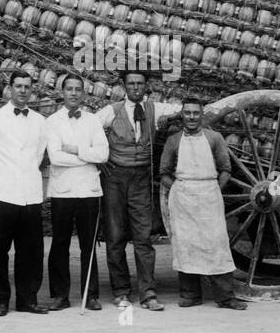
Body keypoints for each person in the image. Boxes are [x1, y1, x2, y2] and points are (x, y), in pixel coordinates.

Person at [98, 71, 176, 312]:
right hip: (115, 178)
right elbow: (87, 130)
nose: (135, 87)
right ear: (124, 86)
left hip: (141, 178)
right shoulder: (111, 111)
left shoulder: (155, 108)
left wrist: (171, 119)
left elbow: (184, 110)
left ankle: (148, 293)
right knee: (115, 236)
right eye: (131, 83)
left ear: (146, 86)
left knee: (143, 238)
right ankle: (121, 291)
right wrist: (100, 158)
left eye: (140, 83)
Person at [160, 98, 247, 310]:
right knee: (186, 244)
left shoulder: (214, 138)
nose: (191, 117)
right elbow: (163, 172)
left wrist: (214, 188)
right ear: (182, 115)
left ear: (202, 115)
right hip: (183, 197)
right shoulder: (173, 140)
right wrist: (179, 188)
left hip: (209, 194)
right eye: (187, 113)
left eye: (195, 113)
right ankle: (190, 295)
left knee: (216, 243)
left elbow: (226, 169)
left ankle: (225, 297)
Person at [0, 70, 49, 315]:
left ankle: (28, 299)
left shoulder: (40, 121)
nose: (23, 91)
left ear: (32, 90)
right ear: (9, 88)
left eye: (27, 86)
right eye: (18, 86)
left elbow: (38, 155)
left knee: (30, 250)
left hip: (29, 193)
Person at [46, 74, 110, 310]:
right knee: (60, 244)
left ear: (84, 94)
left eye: (78, 89)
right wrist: (86, 157)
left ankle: (90, 294)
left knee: (88, 243)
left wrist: (74, 149)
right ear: (62, 92)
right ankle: (60, 295)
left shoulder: (93, 120)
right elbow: (55, 157)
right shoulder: (51, 121)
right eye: (69, 89)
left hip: (89, 191)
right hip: (62, 191)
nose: (73, 93)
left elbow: (103, 154)